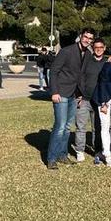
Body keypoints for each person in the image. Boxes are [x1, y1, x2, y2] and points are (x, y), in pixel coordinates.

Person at [45, 28, 95, 169]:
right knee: (60, 127)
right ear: (80, 36)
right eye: (85, 37)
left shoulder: (88, 54)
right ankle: (51, 158)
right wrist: (54, 92)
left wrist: (80, 94)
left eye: (90, 39)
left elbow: (81, 75)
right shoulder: (66, 51)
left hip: (74, 95)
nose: (87, 40)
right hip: (61, 93)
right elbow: (54, 71)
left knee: (67, 127)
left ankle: (62, 154)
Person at [73, 38, 109, 161]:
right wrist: (78, 94)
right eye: (96, 47)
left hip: (99, 101)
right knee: (81, 127)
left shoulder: (108, 62)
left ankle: (97, 150)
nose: (98, 49)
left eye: (101, 47)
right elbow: (79, 78)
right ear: (93, 48)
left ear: (105, 48)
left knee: (97, 128)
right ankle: (80, 150)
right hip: (85, 99)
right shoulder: (86, 61)